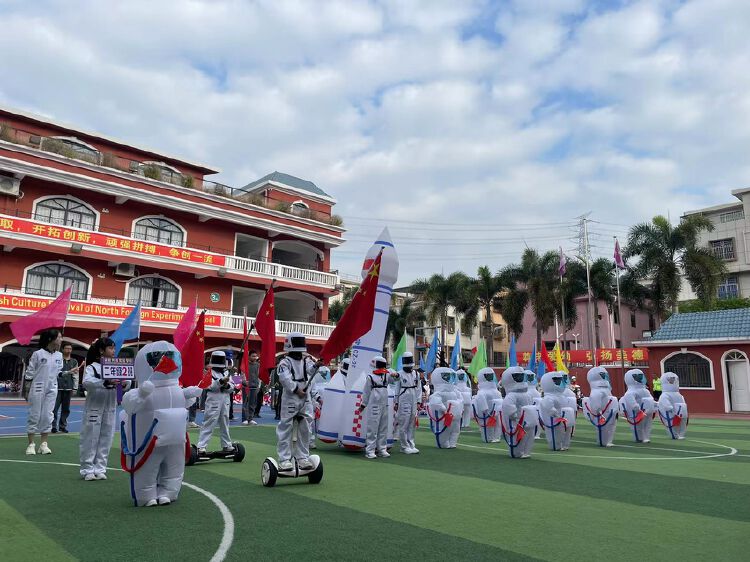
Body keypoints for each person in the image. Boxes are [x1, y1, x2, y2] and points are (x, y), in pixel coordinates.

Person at [121, 341, 203, 506]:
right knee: (147, 468)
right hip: (149, 440)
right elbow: (129, 405)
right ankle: (146, 495)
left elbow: (185, 402)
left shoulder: (177, 389)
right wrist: (142, 394)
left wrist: (190, 393)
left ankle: (169, 491)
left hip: (176, 439)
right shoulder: (145, 389)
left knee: (174, 468)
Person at [80, 337, 129, 480]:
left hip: (110, 407)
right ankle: (87, 469)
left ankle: (100, 467)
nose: (114, 351)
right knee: (91, 438)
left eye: (114, 348)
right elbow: (87, 383)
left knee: (106, 438)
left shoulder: (116, 366)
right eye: (111, 348)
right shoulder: (92, 367)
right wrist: (104, 381)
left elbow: (126, 384)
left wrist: (124, 383)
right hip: (95, 407)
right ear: (102, 350)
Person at [276, 332, 322, 472]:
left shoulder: (306, 360)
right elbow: (284, 378)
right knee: (286, 428)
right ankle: (284, 459)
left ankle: (302, 457)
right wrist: (296, 390)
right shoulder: (284, 362)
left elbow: (310, 370)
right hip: (292, 396)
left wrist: (316, 365)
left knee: (306, 427)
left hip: (305, 395)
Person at [25, 329, 63, 455]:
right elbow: (30, 373)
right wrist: (27, 389)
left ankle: (43, 444)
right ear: (50, 339)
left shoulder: (59, 355)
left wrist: (67, 373)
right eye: (59, 337)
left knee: (48, 415)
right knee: (34, 415)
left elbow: (58, 372)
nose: (61, 340)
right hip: (37, 387)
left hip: (52, 388)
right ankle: (31, 444)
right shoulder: (38, 354)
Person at [359, 356, 397, 458]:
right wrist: (363, 404)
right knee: (373, 428)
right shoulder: (370, 377)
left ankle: (382, 449)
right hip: (374, 405)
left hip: (384, 404)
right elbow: (366, 392)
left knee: (383, 428)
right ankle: (370, 450)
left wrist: (396, 375)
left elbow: (395, 379)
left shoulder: (386, 375)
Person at [197, 351, 235, 454]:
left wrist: (227, 385)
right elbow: (210, 386)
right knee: (209, 422)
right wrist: (221, 382)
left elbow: (232, 387)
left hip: (225, 400)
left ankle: (226, 444)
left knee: (225, 422)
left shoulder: (227, 372)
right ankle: (201, 446)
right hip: (214, 400)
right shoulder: (209, 372)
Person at [499, 366, 538, 458]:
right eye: (516, 376)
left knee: (528, 437)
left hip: (527, 420)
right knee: (517, 437)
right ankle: (517, 453)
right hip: (516, 422)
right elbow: (508, 406)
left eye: (521, 376)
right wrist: (514, 415)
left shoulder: (527, 394)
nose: (520, 378)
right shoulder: (511, 396)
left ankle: (526, 451)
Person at [538, 371, 576, 451]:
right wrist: (555, 413)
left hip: (564, 418)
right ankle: (556, 445)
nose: (559, 381)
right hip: (555, 419)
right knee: (556, 434)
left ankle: (565, 444)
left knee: (566, 433)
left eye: (559, 379)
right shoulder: (549, 397)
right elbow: (548, 407)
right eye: (556, 380)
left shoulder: (561, 395)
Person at [427, 367, 463, 449]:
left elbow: (461, 400)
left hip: (455, 417)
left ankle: (452, 443)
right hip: (443, 417)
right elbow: (435, 402)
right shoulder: (438, 393)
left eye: (449, 376)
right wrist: (443, 409)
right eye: (445, 376)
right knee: (444, 433)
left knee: (455, 431)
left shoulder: (455, 391)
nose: (448, 378)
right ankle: (444, 444)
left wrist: (459, 407)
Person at [582, 366, 618, 447]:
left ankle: (609, 440)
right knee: (603, 428)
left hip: (610, 411)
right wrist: (597, 409)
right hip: (602, 412)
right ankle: (603, 441)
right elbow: (595, 399)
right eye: (602, 374)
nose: (605, 376)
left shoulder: (606, 389)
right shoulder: (596, 390)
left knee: (611, 426)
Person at [619, 368, 657, 443]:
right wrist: (635, 407)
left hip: (647, 411)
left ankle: (646, 437)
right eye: (637, 376)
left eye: (641, 376)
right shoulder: (631, 391)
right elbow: (630, 399)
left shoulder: (645, 390)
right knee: (638, 426)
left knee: (647, 425)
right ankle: (639, 437)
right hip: (637, 412)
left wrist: (655, 405)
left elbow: (650, 399)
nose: (640, 378)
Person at [394, 352, 421, 454]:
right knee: (404, 422)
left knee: (412, 423)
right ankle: (404, 446)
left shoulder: (416, 374)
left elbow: (419, 388)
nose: (409, 368)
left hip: (413, 398)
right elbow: (397, 388)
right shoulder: (399, 374)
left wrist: (419, 401)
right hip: (404, 398)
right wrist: (396, 402)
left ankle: (411, 444)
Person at [52, 342, 79, 433]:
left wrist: (75, 387)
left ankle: (62, 426)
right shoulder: (58, 360)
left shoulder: (74, 361)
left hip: (68, 388)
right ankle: (53, 426)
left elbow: (76, 375)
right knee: (54, 408)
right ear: (62, 349)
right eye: (67, 348)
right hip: (57, 387)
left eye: (70, 349)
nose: (68, 350)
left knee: (66, 409)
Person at [472, 367, 503, 443]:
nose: (490, 377)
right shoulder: (482, 392)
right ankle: (488, 438)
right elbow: (481, 401)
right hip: (486, 413)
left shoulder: (496, 391)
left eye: (491, 375)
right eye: (487, 376)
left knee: (498, 425)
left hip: (496, 412)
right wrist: (484, 409)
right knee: (487, 426)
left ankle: (496, 437)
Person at [657, 372, 688, 440]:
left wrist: (684, 408)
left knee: (682, 423)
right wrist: (668, 407)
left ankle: (681, 434)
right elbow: (664, 402)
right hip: (671, 412)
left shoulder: (678, 394)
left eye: (673, 379)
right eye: (670, 379)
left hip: (681, 411)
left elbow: (682, 400)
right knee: (672, 423)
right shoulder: (665, 394)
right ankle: (674, 435)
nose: (672, 380)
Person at [242, 351, 260, 426]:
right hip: (246, 386)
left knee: (253, 404)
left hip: (255, 386)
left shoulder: (258, 365)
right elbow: (241, 374)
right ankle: (245, 419)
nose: (255, 357)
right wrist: (243, 381)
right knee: (246, 403)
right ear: (249, 356)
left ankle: (251, 419)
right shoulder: (245, 365)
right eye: (253, 356)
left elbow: (259, 376)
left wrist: (259, 386)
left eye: (256, 356)